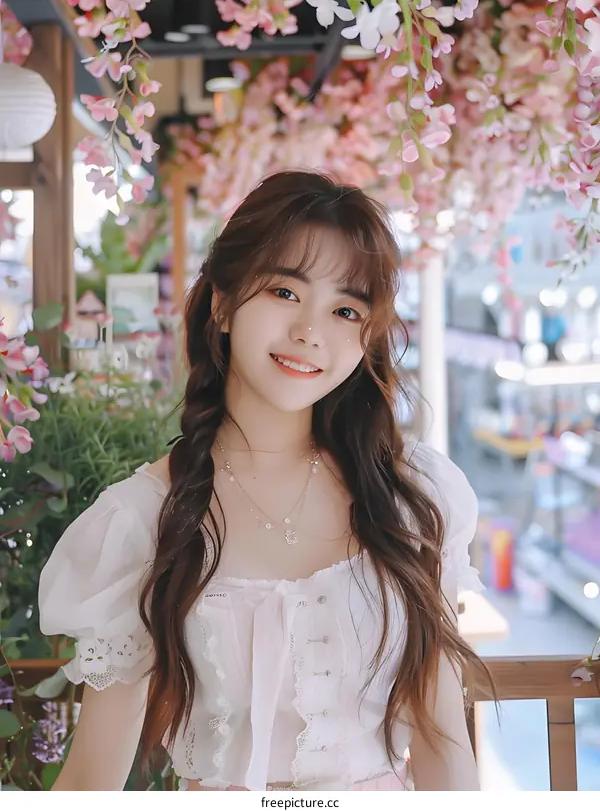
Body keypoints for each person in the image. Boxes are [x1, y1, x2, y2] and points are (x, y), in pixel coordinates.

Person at [38, 170, 488, 792]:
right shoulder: (142, 520)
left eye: (345, 309)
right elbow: (92, 777)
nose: (310, 331)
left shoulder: (411, 495)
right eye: (284, 292)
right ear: (223, 301)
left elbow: (443, 745)